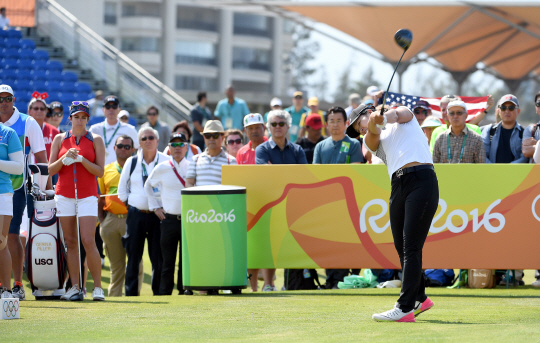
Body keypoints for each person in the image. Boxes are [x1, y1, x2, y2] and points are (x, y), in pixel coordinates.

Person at [347, 103, 438, 322]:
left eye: (359, 125)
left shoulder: (403, 115)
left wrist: (383, 117)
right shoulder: (370, 139)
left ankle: (405, 307)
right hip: (398, 184)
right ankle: (420, 298)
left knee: (411, 246)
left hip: (422, 179)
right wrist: (373, 126)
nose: (360, 132)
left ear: (367, 114)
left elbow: (401, 114)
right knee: (401, 246)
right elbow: (371, 140)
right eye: (359, 130)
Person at [48, 102, 106, 301]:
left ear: (87, 119)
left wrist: (82, 161)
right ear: (70, 118)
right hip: (64, 194)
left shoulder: (95, 139)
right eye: (76, 116)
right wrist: (63, 160)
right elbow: (50, 170)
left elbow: (100, 171)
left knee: (88, 240)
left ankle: (97, 288)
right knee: (70, 242)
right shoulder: (59, 138)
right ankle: (74, 286)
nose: (79, 120)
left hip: (87, 194)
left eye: (83, 117)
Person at [0, 84, 48, 301]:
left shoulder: (27, 122)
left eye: (8, 98)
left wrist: (43, 186)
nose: (4, 102)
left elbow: (41, 157)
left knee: (11, 236)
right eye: (0, 99)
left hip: (18, 186)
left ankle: (17, 284)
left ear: (14, 99)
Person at [255, 110, 307, 292]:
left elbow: (303, 175)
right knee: (270, 244)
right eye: (274, 124)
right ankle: (268, 284)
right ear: (268, 127)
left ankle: (287, 284)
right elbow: (264, 172)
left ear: (287, 127)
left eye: (281, 124)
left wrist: (275, 170)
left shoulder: (297, 150)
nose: (277, 127)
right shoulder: (262, 149)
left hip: (293, 203)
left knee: (290, 243)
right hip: (269, 202)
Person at [118, 127, 168, 296]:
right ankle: (131, 294)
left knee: (158, 258)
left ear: (157, 141)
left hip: (159, 216)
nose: (148, 140)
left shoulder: (166, 161)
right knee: (133, 258)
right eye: (144, 138)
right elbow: (121, 190)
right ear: (139, 143)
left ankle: (159, 293)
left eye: (151, 137)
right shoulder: (131, 162)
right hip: (136, 215)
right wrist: (132, 206)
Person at [98, 135, 143, 297]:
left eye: (127, 147)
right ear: (114, 148)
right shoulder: (106, 170)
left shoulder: (139, 168)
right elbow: (100, 198)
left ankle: (134, 299)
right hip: (111, 221)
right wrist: (103, 222)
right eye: (120, 146)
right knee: (116, 268)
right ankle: (114, 300)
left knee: (136, 265)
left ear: (132, 149)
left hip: (132, 220)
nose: (123, 149)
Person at [144, 133, 189, 295]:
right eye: (173, 145)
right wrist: (155, 207)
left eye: (180, 144)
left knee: (186, 261)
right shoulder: (162, 167)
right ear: (169, 148)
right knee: (167, 262)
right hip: (168, 220)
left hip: (188, 221)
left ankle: (185, 291)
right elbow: (148, 185)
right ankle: (165, 293)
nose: (177, 148)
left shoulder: (191, 166)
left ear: (186, 147)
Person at [235, 113, 267, 291]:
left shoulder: (270, 146)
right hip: (249, 205)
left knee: (270, 245)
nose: (254, 131)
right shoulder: (241, 152)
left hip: (269, 202)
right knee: (252, 248)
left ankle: (269, 284)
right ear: (245, 131)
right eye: (251, 128)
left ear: (263, 128)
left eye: (257, 127)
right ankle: (254, 287)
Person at [0, 122, 24, 298]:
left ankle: (6, 291)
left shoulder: (8, 133)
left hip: (2, 193)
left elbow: (18, 167)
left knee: (1, 243)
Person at [89, 95, 139, 165]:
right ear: (103, 110)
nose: (111, 109)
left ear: (119, 110)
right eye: (108, 107)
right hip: (99, 172)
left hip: (121, 172)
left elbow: (138, 148)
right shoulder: (94, 129)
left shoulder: (130, 129)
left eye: (114, 106)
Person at [185, 120, 237, 188]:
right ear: (204, 137)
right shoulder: (195, 159)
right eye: (207, 135)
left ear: (223, 137)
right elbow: (189, 184)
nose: (211, 139)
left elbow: (234, 187)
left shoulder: (231, 161)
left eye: (215, 135)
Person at [481, 94, 527, 164]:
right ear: (499, 111)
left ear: (518, 111)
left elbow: (524, 157)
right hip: (492, 173)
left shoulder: (524, 133)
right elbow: (482, 155)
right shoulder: (489, 130)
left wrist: (508, 169)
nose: (507, 111)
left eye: (511, 108)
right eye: (503, 108)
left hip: (515, 173)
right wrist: (494, 170)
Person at [521, 91, 540, 163]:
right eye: (539, 104)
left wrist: (536, 145)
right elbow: (526, 151)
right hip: (536, 174)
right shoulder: (530, 130)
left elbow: (530, 150)